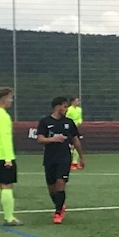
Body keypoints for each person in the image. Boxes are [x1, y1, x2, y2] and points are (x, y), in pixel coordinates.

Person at [36, 96, 85, 224]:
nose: (66, 109)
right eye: (64, 106)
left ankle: (58, 213)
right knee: (52, 188)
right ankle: (60, 205)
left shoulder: (69, 123)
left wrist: (81, 157)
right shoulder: (45, 122)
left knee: (60, 183)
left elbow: (75, 140)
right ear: (57, 106)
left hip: (64, 158)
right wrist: (53, 139)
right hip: (50, 159)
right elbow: (40, 139)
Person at [0, 87, 23, 226]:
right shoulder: (2, 115)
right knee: (6, 185)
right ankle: (9, 218)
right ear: (3, 99)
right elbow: (4, 137)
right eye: (10, 98)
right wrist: (8, 158)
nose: (11, 101)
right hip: (2, 155)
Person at [66, 95, 84, 170]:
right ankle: (68, 162)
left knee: (77, 145)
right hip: (69, 129)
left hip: (76, 129)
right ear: (72, 102)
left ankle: (75, 162)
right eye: (77, 101)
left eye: (78, 101)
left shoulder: (79, 109)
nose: (78, 102)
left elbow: (80, 118)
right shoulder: (68, 110)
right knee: (70, 147)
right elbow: (66, 119)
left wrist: (79, 122)